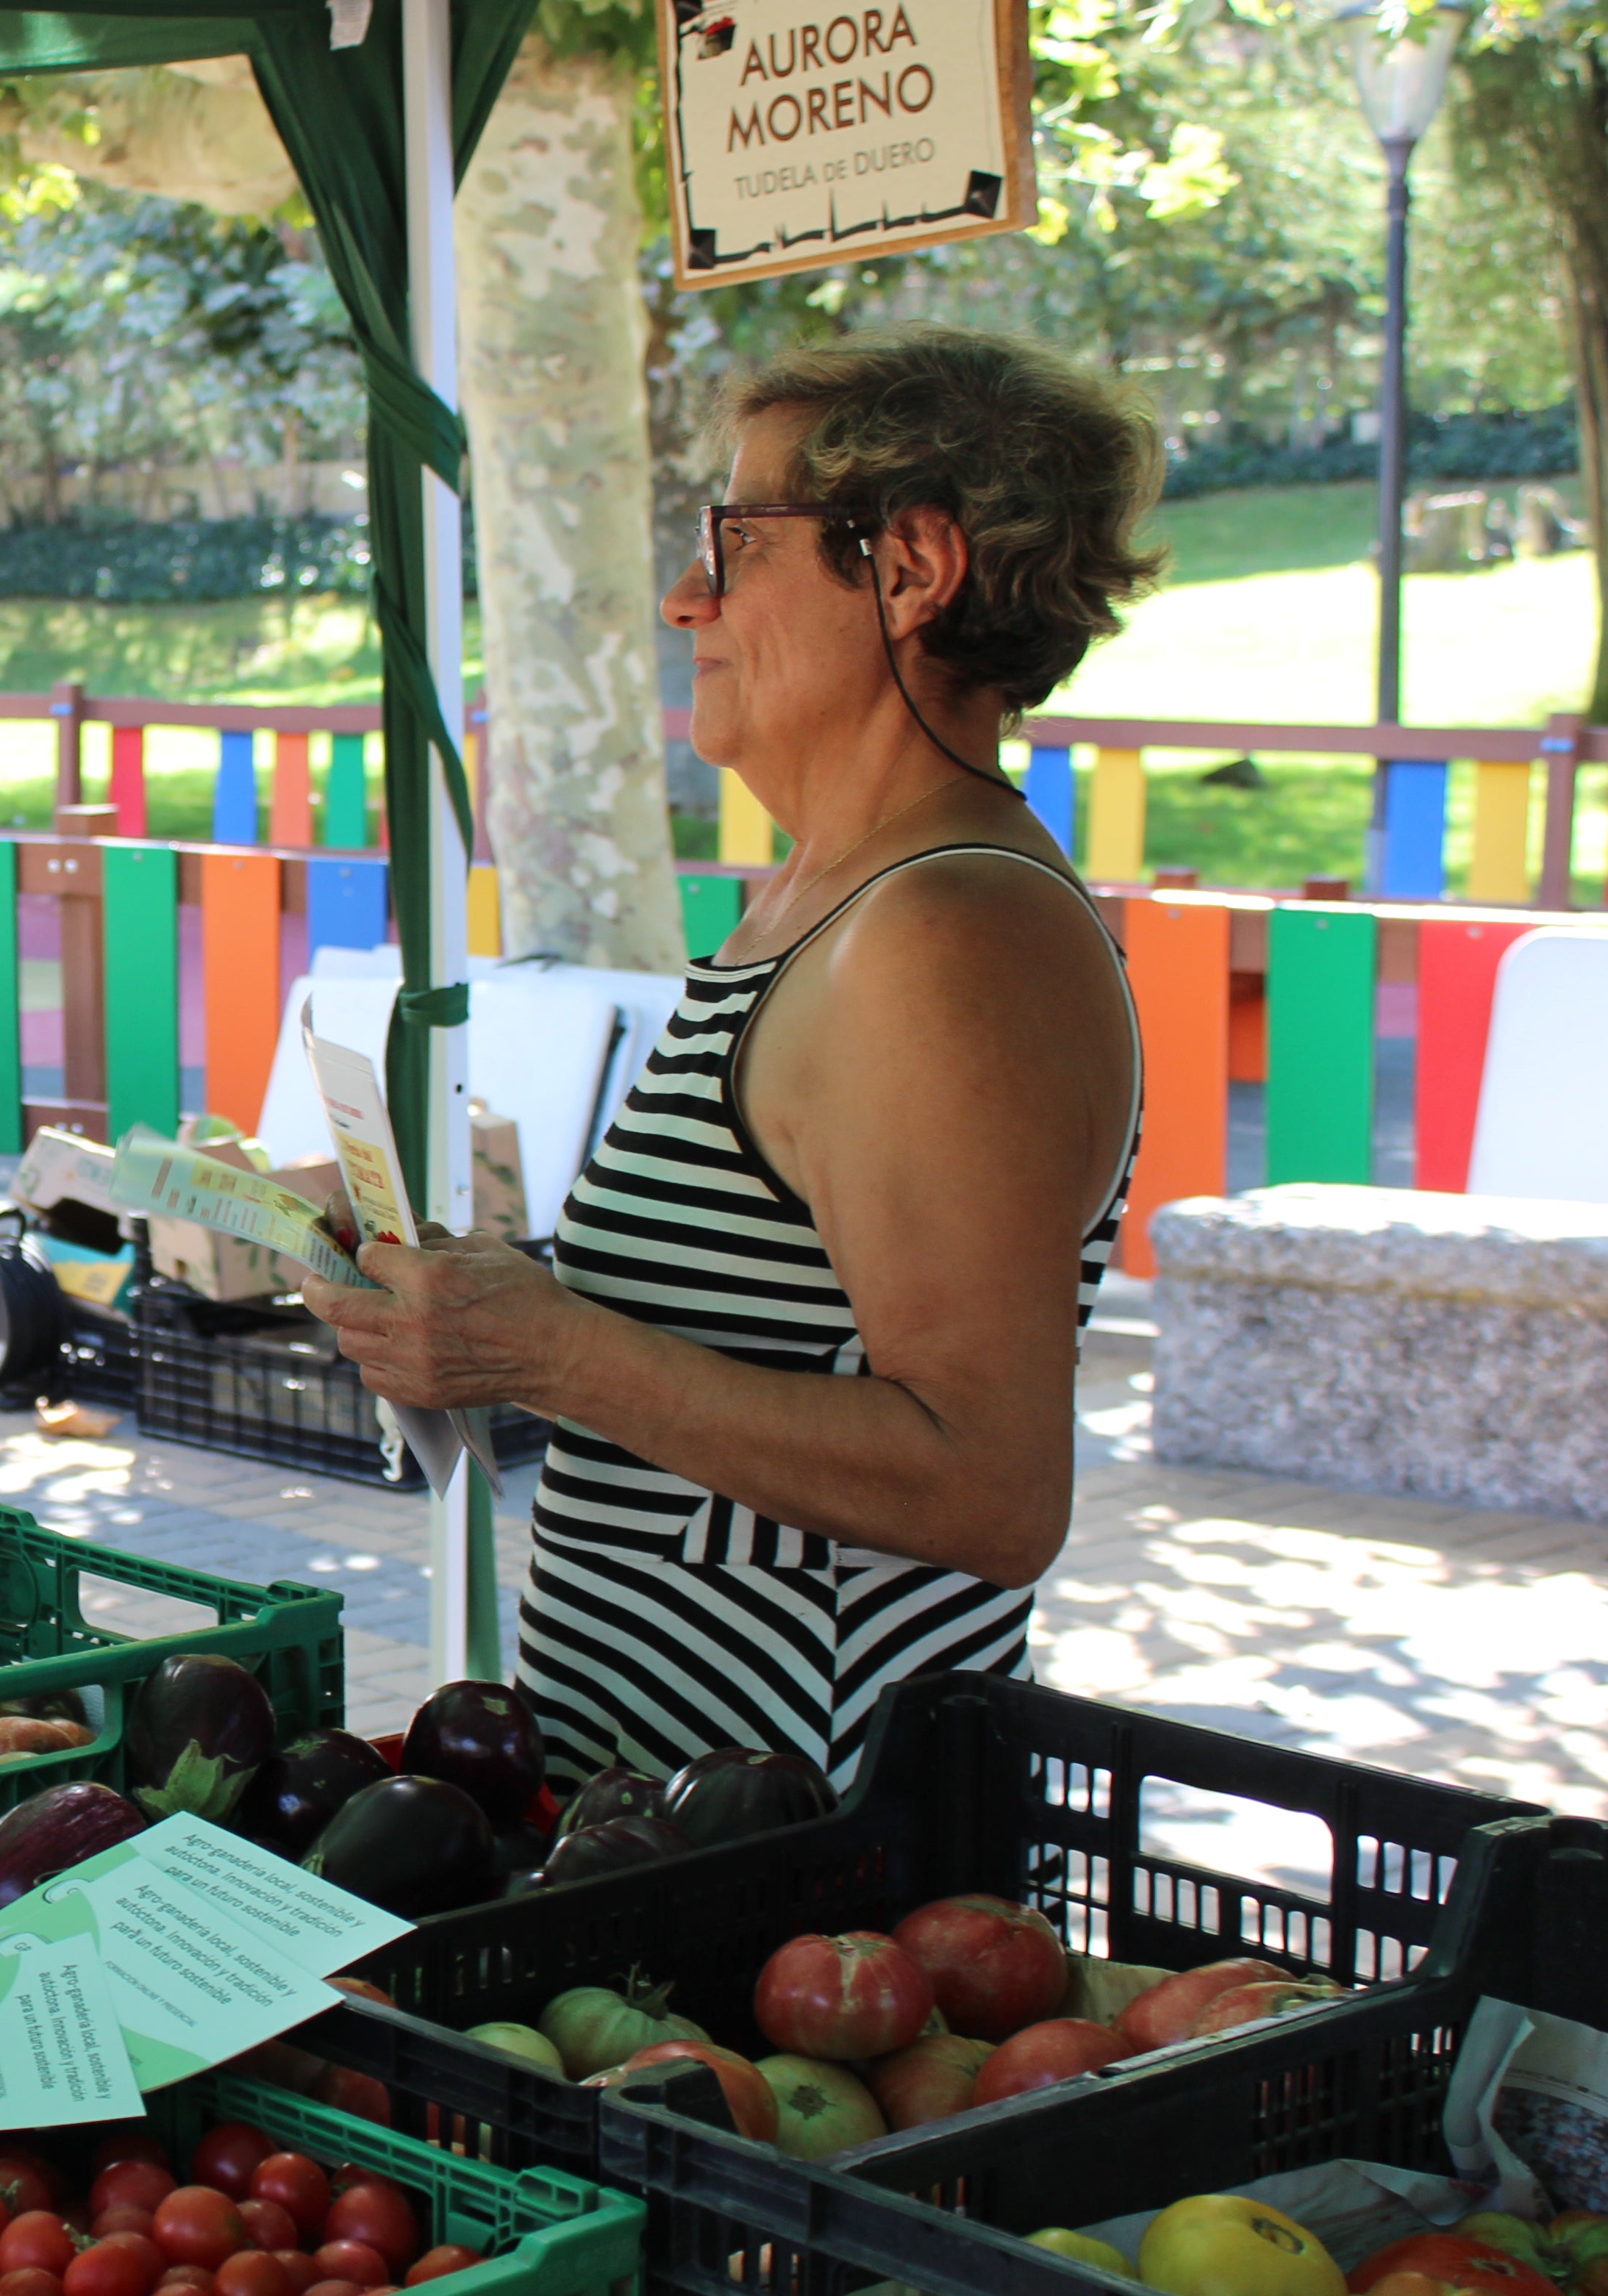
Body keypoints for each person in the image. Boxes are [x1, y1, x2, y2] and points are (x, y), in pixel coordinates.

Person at [305, 326, 1154, 1787]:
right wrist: (479, 1306)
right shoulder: (828, 901)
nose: (688, 595)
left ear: (911, 570)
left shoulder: (942, 932)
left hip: (810, 1856)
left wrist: (552, 1350)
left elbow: (991, 1486)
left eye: (735, 541)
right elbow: (765, 1324)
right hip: (682, 1819)